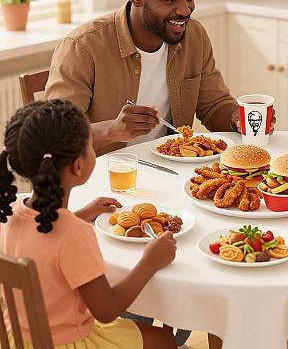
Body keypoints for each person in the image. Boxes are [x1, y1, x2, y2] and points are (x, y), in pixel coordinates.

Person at [45, 0, 274, 155]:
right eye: (170, 0)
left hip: (168, 171)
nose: (185, 10)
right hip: (102, 179)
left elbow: (213, 106)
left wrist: (237, 118)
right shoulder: (82, 48)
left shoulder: (194, 36)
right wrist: (113, 130)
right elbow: (55, 135)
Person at [0, 99, 177, 349]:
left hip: (18, 339)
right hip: (69, 342)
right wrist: (150, 261)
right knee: (165, 341)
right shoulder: (74, 235)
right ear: (79, 164)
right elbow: (107, 310)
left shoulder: (10, 211)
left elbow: (44, 243)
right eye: (90, 145)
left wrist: (80, 214)